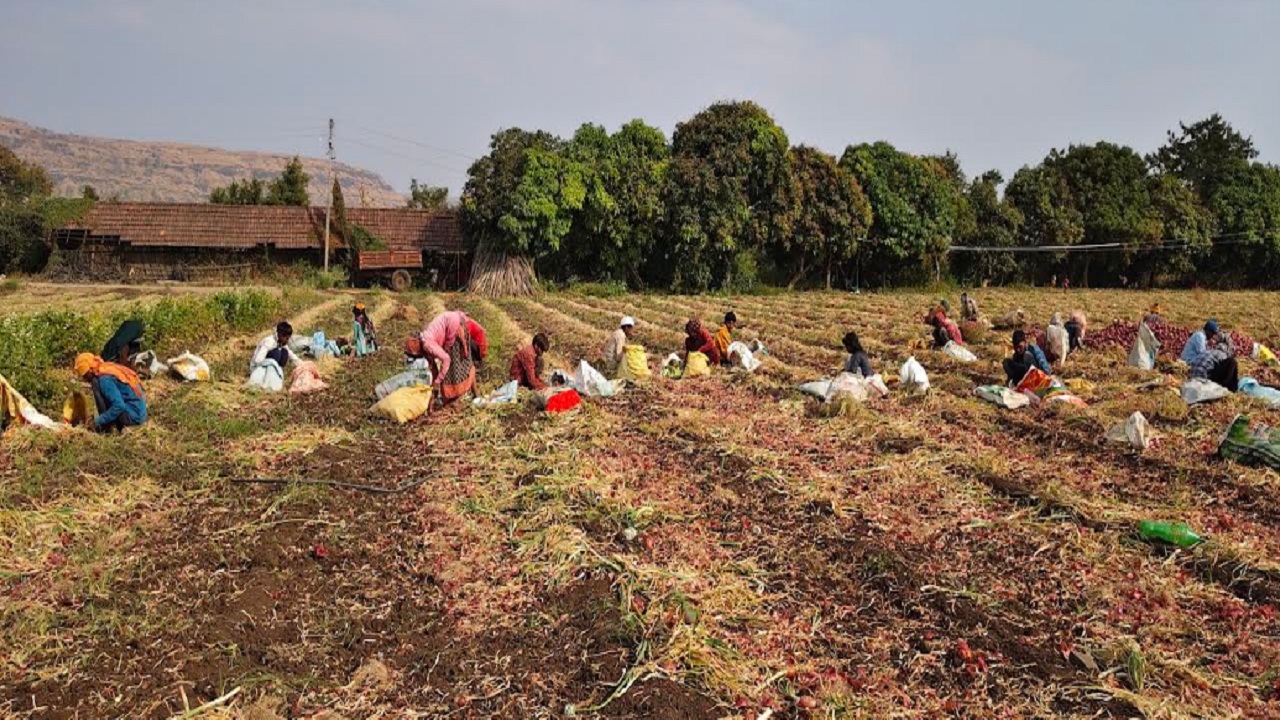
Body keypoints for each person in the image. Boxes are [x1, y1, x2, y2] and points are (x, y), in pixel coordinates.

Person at [74, 352, 147, 432]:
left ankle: (105, 427)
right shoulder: (106, 367)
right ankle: (105, 423)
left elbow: (119, 406)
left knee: (95, 383)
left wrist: (98, 421)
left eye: (85, 375)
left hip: (133, 417)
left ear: (90, 370)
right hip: (139, 413)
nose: (85, 379)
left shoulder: (104, 379)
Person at [1187, 320, 1239, 391]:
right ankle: (1228, 387)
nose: (1212, 336)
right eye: (1212, 333)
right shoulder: (1200, 337)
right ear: (1208, 331)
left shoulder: (1210, 350)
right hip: (1198, 375)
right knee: (1233, 362)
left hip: (1192, 376)